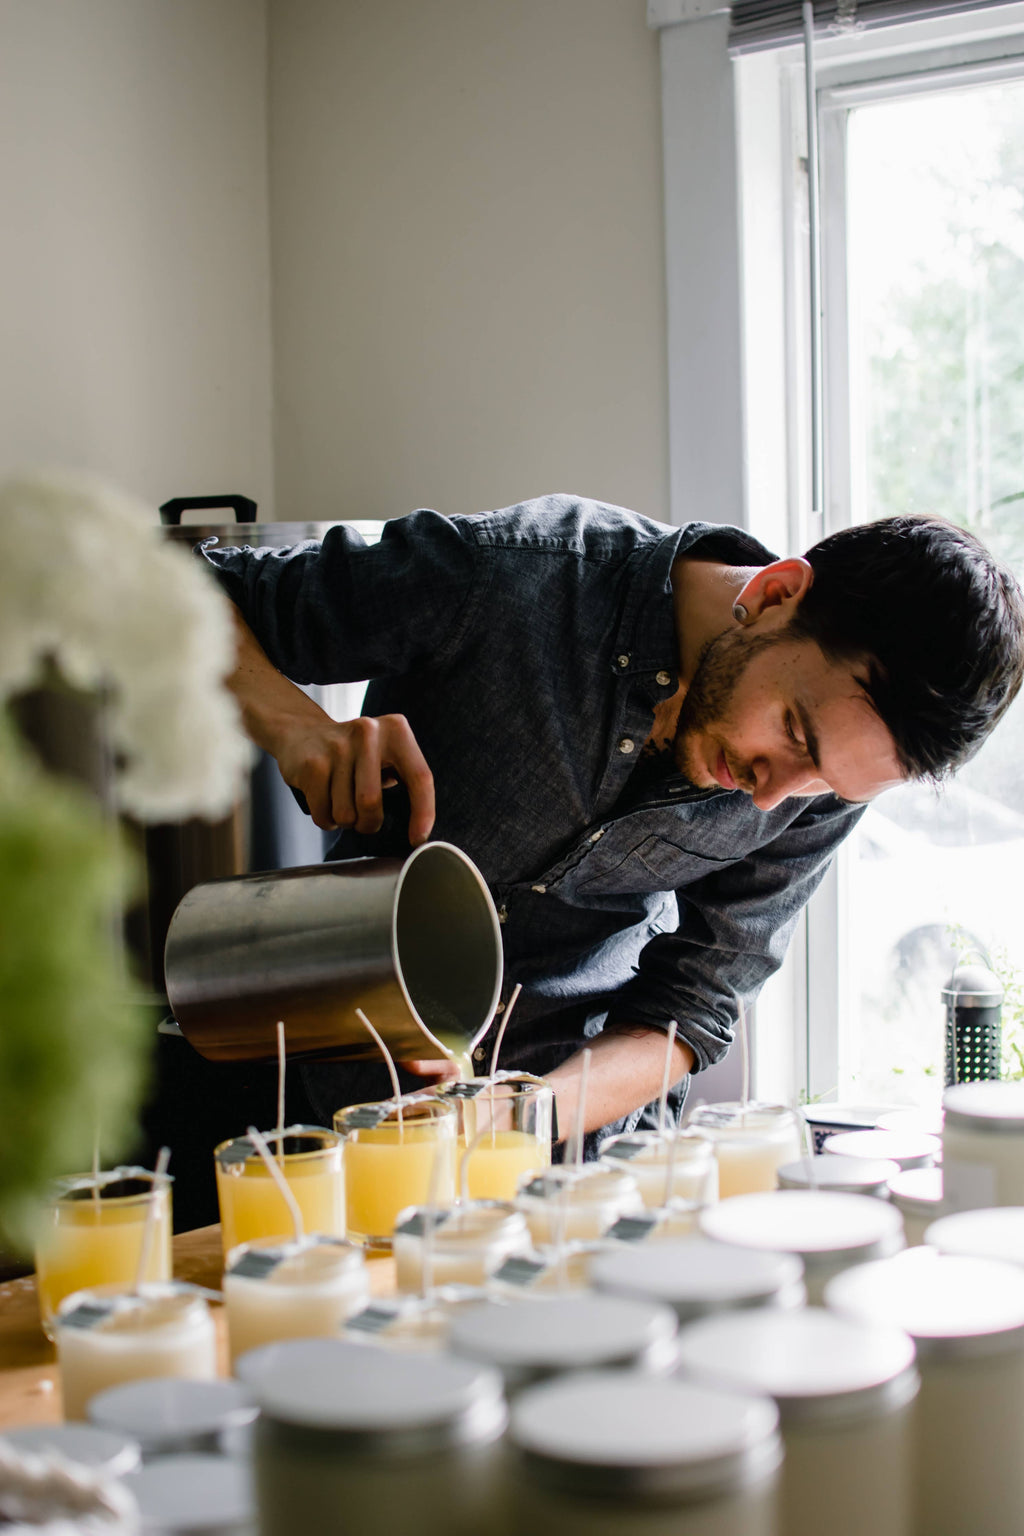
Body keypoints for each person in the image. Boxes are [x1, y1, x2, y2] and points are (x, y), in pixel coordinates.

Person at [202, 494, 1024, 1153]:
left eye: (825, 785)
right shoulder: (514, 579)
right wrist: (295, 726)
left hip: (576, 1167)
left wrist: (516, 1120)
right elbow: (192, 591)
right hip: (332, 1127)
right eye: (794, 735)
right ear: (775, 593)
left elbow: (694, 1004)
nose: (774, 798)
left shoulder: (815, 791)